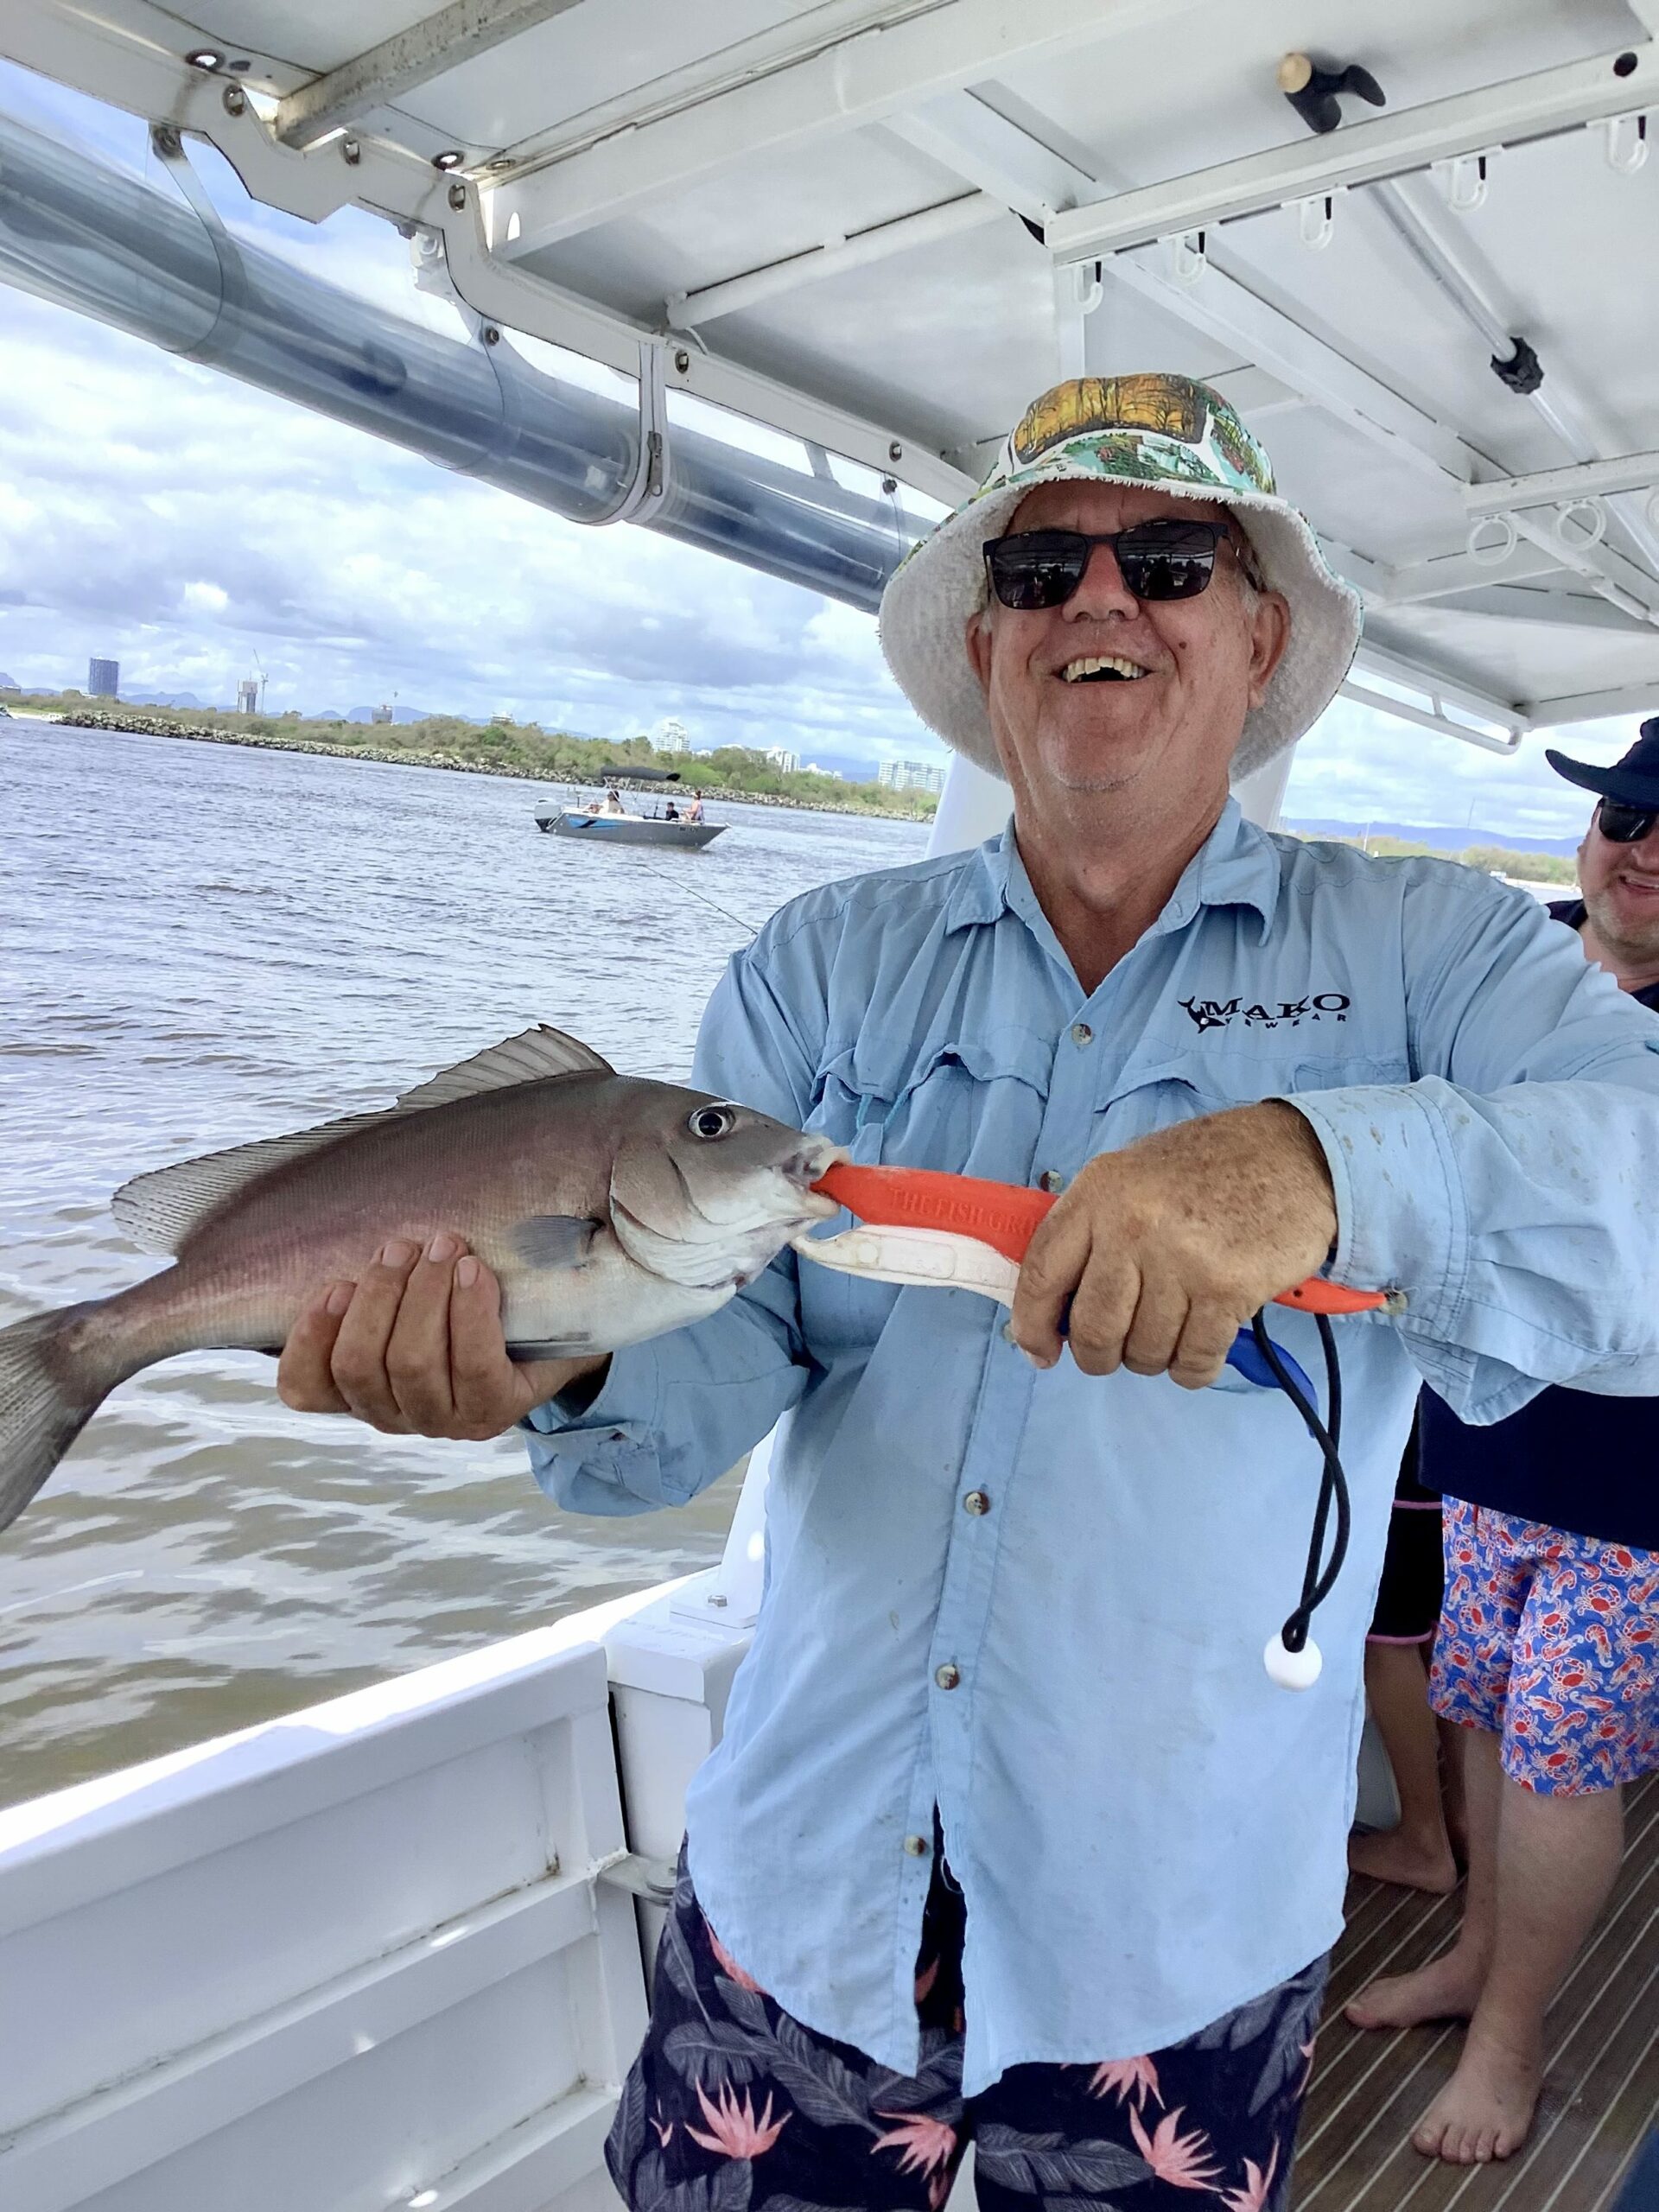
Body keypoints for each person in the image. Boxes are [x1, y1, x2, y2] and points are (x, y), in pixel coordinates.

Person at [276, 375, 1659, 2212]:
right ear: (987, 638)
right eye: (1039, 564)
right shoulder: (819, 970)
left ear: (1258, 639)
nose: (1102, 597)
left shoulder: (1439, 955)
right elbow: (700, 1376)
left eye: (1170, 557)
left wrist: (1318, 1164)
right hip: (802, 1890)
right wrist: (540, 1367)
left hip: (1163, 1941)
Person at [1344, 722, 1659, 2166]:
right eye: (1626, 813)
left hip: (1638, 1483)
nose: (1643, 845)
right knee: (1473, 1699)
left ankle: (1511, 2042)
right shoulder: (1509, 970)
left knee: (1559, 1756)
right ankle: (1476, 1950)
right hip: (1484, 1433)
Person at [1348, 1417, 1465, 1896]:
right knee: (1442, 1628)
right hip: (1463, 1453)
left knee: (1388, 1641)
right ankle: (1464, 1816)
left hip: (1404, 1449)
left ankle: (1424, 1841)